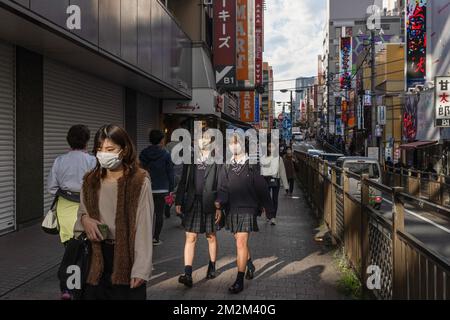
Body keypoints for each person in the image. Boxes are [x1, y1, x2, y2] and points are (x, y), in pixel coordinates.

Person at [74, 124, 153, 300]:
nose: (103, 153)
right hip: (95, 256)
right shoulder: (90, 181)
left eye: (110, 149)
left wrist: (141, 268)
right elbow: (82, 211)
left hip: (126, 257)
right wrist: (85, 219)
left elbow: (144, 226)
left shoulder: (139, 181)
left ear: (124, 150)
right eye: (99, 149)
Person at [216, 134, 274, 294]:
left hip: (248, 207)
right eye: (230, 144)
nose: (233, 147)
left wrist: (269, 209)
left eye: (236, 143)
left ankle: (239, 280)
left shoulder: (252, 165)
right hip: (232, 208)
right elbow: (223, 187)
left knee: (240, 242)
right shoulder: (226, 166)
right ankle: (249, 264)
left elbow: (262, 187)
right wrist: (218, 204)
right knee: (238, 239)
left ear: (242, 145)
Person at [47, 124, 97, 300]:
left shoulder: (59, 161)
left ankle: (67, 289)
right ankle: (79, 288)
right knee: (85, 250)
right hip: (88, 209)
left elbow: (52, 189)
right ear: (87, 140)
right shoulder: (93, 161)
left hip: (65, 209)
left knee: (70, 248)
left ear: (69, 140)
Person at [175, 130, 222, 288]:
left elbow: (221, 184)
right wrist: (178, 201)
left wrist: (219, 205)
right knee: (190, 237)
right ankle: (187, 273)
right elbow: (183, 181)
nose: (204, 141)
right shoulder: (191, 159)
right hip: (193, 202)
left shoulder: (217, 160)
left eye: (207, 139)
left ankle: (212, 266)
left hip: (210, 202)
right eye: (202, 138)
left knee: (211, 236)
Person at [140, 130, 175, 246]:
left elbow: (139, 170)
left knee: (147, 214)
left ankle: (145, 237)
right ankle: (155, 238)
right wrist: (171, 188)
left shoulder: (143, 153)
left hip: (147, 187)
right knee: (159, 214)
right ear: (161, 140)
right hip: (162, 189)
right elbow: (170, 173)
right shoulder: (165, 154)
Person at [260, 142, 288, 225]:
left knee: (275, 199)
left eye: (273, 146)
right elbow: (261, 170)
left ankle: (273, 217)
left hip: (276, 179)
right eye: (269, 146)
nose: (271, 148)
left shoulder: (279, 158)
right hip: (266, 179)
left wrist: (286, 185)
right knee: (267, 199)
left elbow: (282, 172)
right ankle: (268, 215)